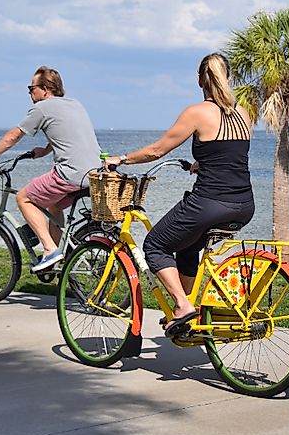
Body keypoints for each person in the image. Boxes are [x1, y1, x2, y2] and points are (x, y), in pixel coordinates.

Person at [103, 53, 254, 335]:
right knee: (186, 246)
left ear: (199, 80)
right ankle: (184, 312)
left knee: (155, 245)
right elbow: (231, 155)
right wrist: (202, 164)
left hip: (210, 203)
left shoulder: (196, 113)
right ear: (229, 78)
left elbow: (157, 151)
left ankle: (183, 306)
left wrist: (121, 159)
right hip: (244, 204)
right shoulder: (243, 114)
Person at [0, 66, 101, 272]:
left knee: (23, 198)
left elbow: (13, 136)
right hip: (95, 174)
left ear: (45, 89)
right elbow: (68, 135)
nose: (29, 93)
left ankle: (49, 250)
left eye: (31, 88)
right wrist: (44, 151)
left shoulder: (42, 108)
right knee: (53, 207)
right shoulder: (75, 104)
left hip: (70, 174)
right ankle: (61, 256)